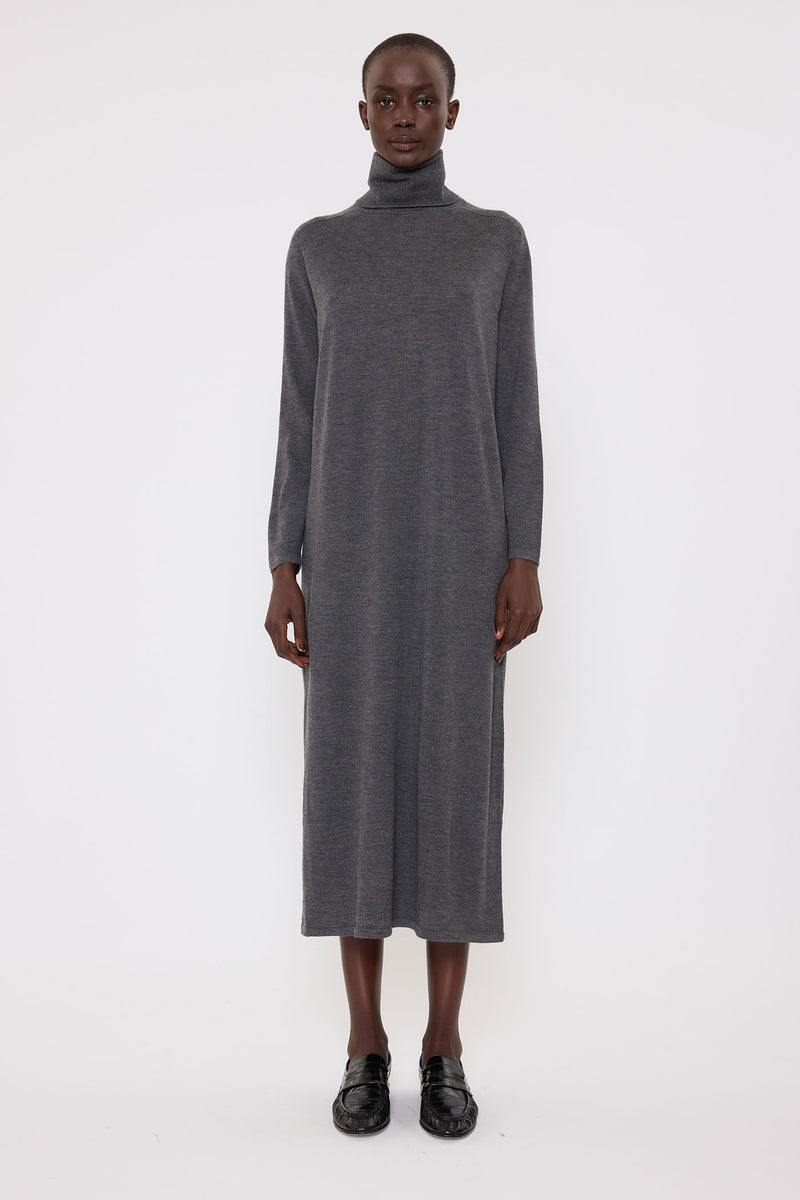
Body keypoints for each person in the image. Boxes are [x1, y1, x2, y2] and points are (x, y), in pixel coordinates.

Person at [265, 32, 543, 1138]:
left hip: (463, 552)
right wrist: (283, 560)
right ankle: (363, 1044)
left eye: (423, 100)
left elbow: (516, 404)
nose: (405, 117)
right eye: (386, 99)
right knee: (351, 785)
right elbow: (298, 410)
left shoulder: (494, 244)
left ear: (452, 113)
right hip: (349, 552)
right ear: (363, 113)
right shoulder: (318, 249)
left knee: (454, 787)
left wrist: (523, 553)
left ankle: (445, 1046)